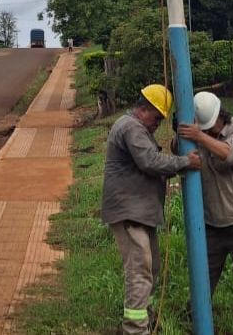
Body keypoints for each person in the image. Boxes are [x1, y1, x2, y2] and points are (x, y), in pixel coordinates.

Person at [101, 84, 201, 335]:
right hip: (129, 212)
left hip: (139, 213)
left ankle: (143, 317)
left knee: (149, 269)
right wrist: (185, 162)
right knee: (139, 271)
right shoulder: (132, 128)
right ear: (144, 109)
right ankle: (135, 329)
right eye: (157, 118)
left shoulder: (138, 128)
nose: (158, 123)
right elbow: (149, 161)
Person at [177, 90, 233, 335]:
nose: (209, 130)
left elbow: (230, 154)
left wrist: (200, 138)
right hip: (213, 222)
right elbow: (178, 151)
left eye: (211, 126)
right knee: (204, 272)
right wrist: (182, 138)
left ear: (221, 116)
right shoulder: (201, 135)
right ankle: (194, 313)